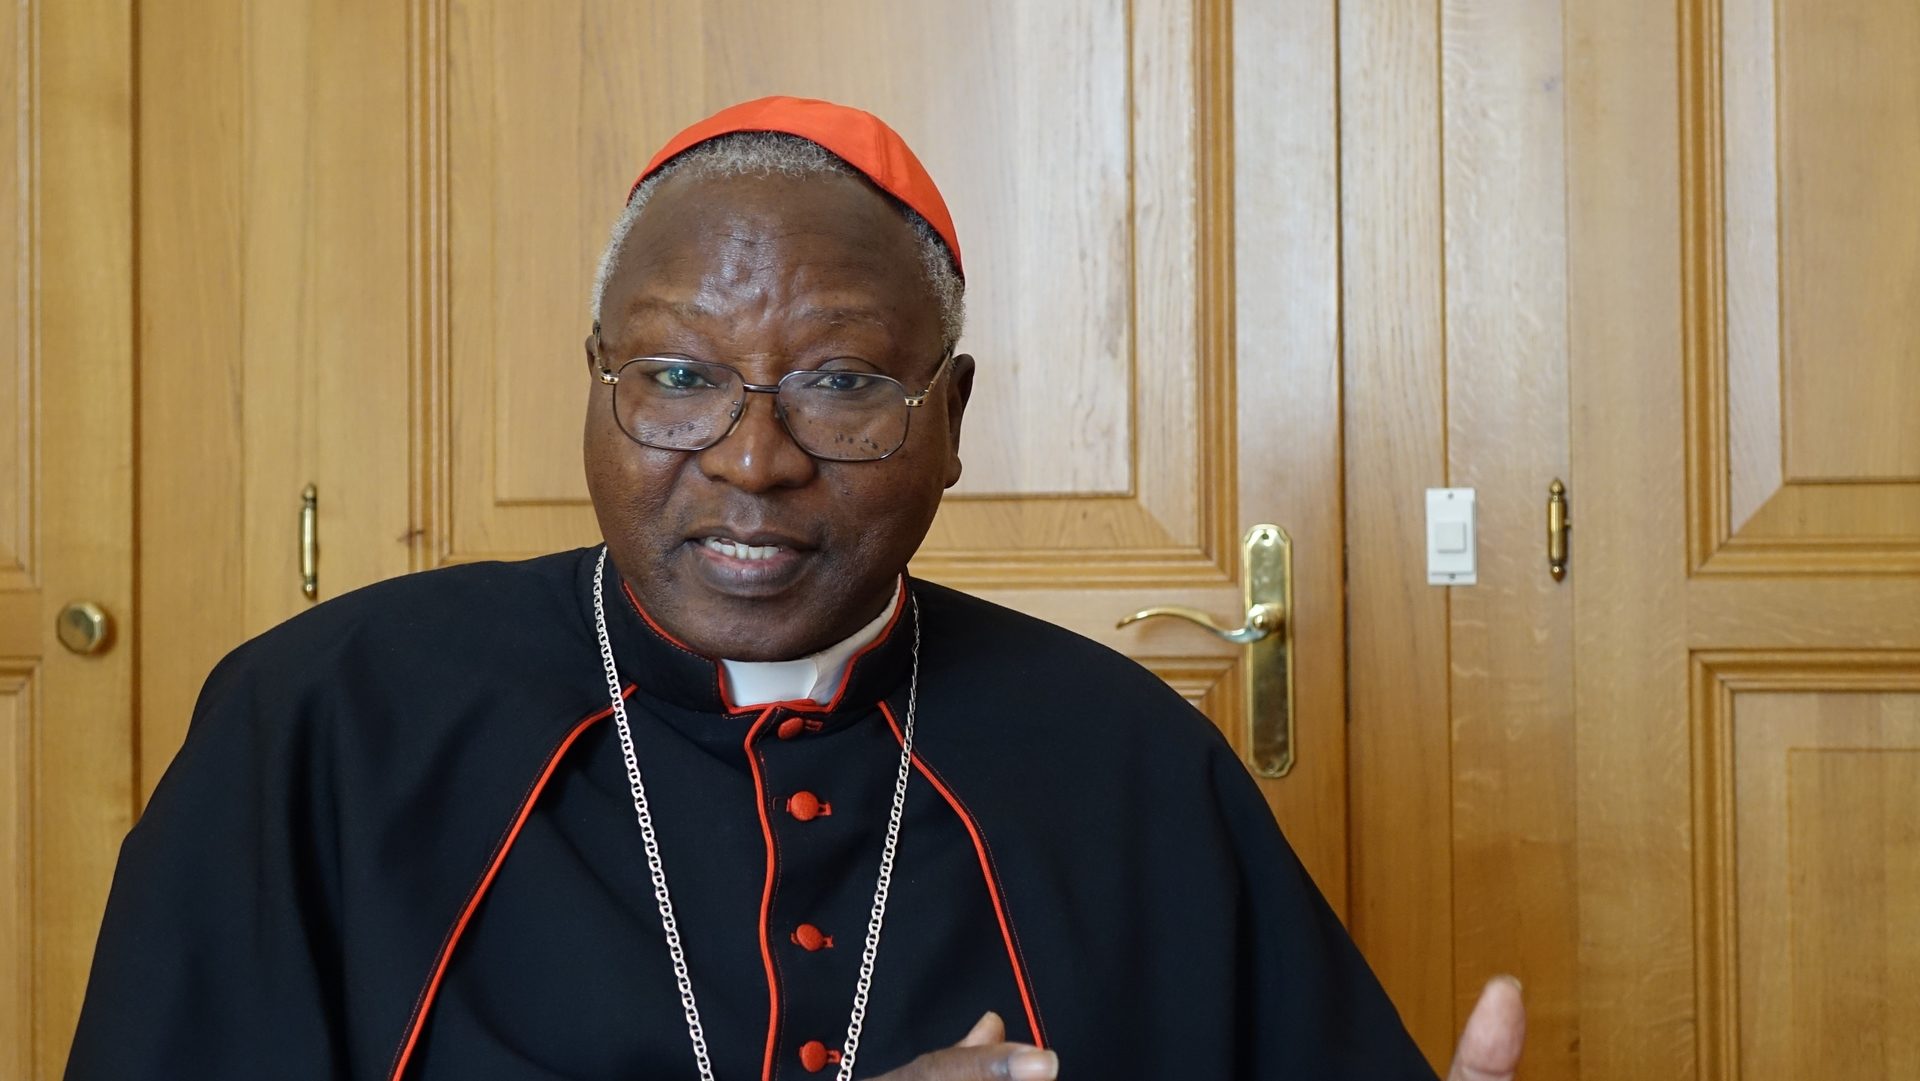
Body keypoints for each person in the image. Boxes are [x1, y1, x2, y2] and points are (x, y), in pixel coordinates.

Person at [65, 96, 1525, 1080]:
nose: (753, 458)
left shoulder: (1130, 764)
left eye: (840, 381)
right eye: (680, 377)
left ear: (951, 418)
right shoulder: (317, 727)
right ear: (596, 388)